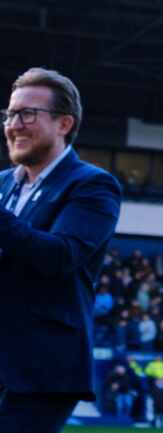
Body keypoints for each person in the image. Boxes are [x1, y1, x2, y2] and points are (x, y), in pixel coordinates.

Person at [0, 67, 122, 432]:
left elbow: (60, 256)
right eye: (9, 115)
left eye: (26, 114)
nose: (14, 124)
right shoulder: (4, 184)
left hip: (41, 368)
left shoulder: (94, 185)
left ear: (64, 124)